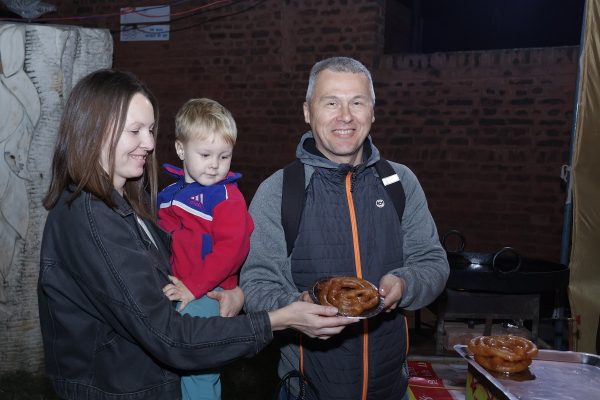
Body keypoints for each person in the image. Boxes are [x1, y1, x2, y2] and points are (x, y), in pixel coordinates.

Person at [37, 68, 357, 400]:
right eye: (135, 131)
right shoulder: (91, 218)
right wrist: (277, 319)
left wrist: (237, 294)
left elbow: (174, 277)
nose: (148, 143)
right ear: (94, 131)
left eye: (150, 129)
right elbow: (168, 336)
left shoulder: (134, 205)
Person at [240, 56, 450, 400]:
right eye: (331, 102)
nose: (345, 116)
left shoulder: (399, 182)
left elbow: (432, 262)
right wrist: (296, 309)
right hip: (307, 390)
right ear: (308, 111)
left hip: (390, 388)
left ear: (372, 112)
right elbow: (256, 282)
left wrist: (406, 283)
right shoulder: (279, 190)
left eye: (357, 102)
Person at [157, 98, 254, 400]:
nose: (215, 164)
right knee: (172, 369)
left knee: (198, 369)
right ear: (181, 149)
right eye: (206, 154)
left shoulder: (227, 197)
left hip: (209, 293)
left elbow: (232, 250)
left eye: (224, 156)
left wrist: (193, 288)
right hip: (176, 289)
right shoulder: (168, 194)